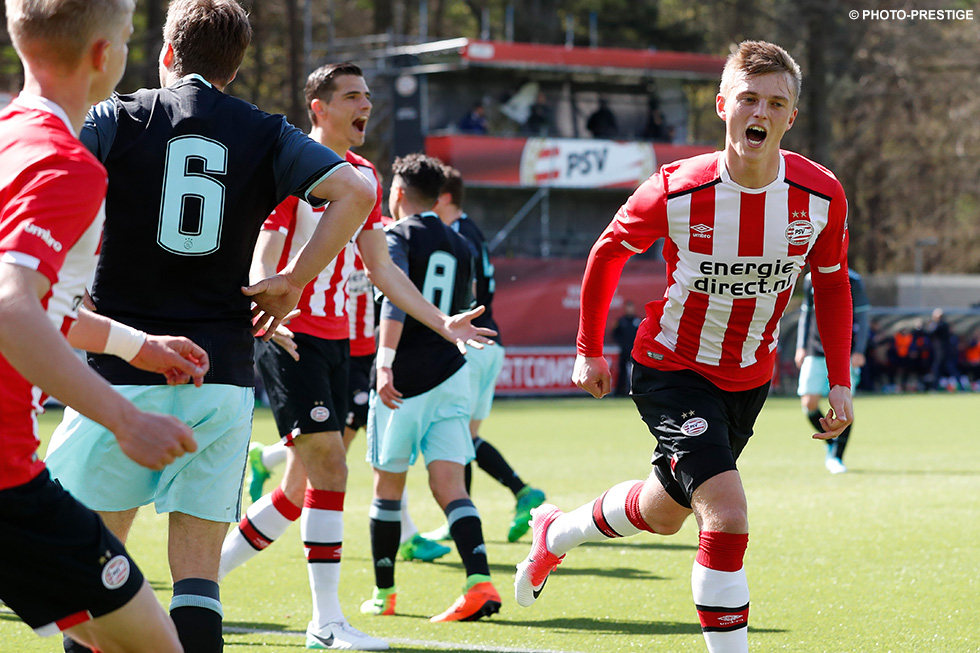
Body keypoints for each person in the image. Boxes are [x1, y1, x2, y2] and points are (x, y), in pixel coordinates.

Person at [43, 3, 377, 653]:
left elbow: (58, 166)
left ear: (168, 53)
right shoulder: (265, 130)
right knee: (197, 576)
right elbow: (356, 193)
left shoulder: (119, 115)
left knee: (97, 573)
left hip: (124, 363)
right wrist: (295, 279)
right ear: (237, 66)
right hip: (221, 370)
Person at [514, 41, 854, 653]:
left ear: (791, 116)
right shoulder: (676, 189)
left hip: (748, 379)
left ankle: (555, 533)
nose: (761, 112)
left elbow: (831, 285)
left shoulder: (821, 195)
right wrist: (589, 348)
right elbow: (607, 253)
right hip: (671, 367)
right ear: (723, 106)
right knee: (727, 516)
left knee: (665, 512)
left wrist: (840, 380)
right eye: (748, 98)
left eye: (776, 103)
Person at [217, 62, 492, 650]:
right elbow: (264, 249)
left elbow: (383, 268)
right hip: (292, 337)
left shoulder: (363, 175)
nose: (365, 105)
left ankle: (201, 581)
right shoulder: (289, 165)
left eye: (367, 96)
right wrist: (268, 309)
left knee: (297, 491)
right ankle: (326, 623)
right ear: (318, 107)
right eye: (351, 96)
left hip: (340, 345)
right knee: (332, 469)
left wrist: (442, 322)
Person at [0, 1, 212, 651]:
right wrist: (126, 418)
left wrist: (135, 345)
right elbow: (11, 307)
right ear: (103, 54)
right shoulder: (66, 164)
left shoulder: (7, 137)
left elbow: (40, 307)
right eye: (125, 37)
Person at [361, 154, 502, 622]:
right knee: (450, 486)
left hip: (404, 380)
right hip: (451, 375)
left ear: (398, 193)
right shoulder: (460, 242)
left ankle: (384, 594)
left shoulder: (395, 236)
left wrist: (384, 364)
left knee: (387, 486)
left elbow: (393, 298)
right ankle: (479, 582)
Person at [416, 165, 547, 544]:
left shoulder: (455, 234)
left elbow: (467, 289)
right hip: (488, 342)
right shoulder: (468, 229)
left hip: (471, 343)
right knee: (463, 438)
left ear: (443, 198)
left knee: (453, 436)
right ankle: (466, 513)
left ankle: (517, 493)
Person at [795, 268, 869, 474]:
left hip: (843, 351)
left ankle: (837, 456)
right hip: (814, 350)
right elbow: (806, 314)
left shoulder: (853, 280)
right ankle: (832, 441)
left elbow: (863, 317)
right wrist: (801, 346)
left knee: (843, 407)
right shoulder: (809, 279)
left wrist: (859, 350)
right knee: (808, 403)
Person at [611, 300, 641, 396]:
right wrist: (621, 343)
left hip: (635, 351)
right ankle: (620, 392)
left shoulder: (638, 321)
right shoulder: (621, 321)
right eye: (628, 308)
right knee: (622, 372)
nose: (629, 310)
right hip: (624, 351)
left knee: (636, 372)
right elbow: (615, 333)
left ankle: (636, 391)